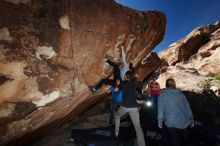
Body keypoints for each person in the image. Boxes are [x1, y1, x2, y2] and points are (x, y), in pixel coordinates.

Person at [157, 78, 194, 146]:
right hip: (182, 121)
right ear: (174, 84)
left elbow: (160, 109)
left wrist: (160, 120)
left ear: (166, 84)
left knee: (175, 141)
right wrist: (191, 120)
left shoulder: (162, 95)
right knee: (184, 141)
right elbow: (187, 108)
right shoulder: (180, 94)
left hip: (170, 121)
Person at [89, 56, 123, 125]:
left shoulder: (118, 87)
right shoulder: (118, 79)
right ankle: (95, 89)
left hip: (117, 91)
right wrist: (107, 60)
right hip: (117, 82)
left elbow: (117, 89)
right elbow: (116, 67)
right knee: (115, 68)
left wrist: (116, 86)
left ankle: (95, 89)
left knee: (103, 80)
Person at [115, 71, 146, 146]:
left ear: (125, 76)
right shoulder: (133, 84)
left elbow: (116, 90)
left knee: (117, 116)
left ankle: (116, 133)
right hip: (134, 107)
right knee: (138, 128)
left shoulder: (123, 84)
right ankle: (142, 144)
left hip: (125, 107)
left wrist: (118, 84)